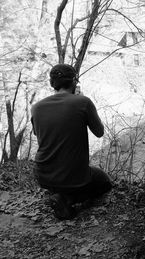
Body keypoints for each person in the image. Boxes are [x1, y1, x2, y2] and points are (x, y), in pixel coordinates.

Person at [31, 64, 112, 220]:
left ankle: (59, 193)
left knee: (62, 180)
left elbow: (39, 134)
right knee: (104, 182)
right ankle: (68, 199)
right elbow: (100, 132)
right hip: (75, 177)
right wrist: (82, 101)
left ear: (52, 83)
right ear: (74, 82)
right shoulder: (83, 102)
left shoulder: (36, 107)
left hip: (42, 175)